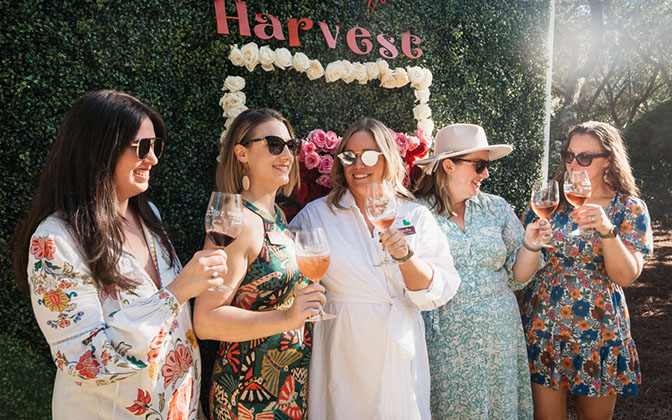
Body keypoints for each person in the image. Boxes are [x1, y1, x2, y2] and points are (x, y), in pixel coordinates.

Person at [12, 89, 228, 419]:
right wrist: (177, 292)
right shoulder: (55, 240)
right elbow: (85, 361)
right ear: (99, 150)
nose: (153, 158)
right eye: (142, 147)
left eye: (156, 146)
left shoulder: (149, 217)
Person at [289, 117, 461, 420]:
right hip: (343, 345)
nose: (358, 165)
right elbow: (283, 265)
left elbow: (439, 290)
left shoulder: (415, 216)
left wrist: (405, 257)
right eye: (349, 156)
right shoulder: (317, 215)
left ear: (387, 158)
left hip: (398, 343)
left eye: (369, 156)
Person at [193, 108, 326, 420]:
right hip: (248, 396)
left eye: (291, 146)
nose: (286, 155)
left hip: (287, 390)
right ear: (242, 153)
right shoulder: (235, 221)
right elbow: (206, 320)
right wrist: (287, 317)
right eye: (274, 145)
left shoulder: (277, 217)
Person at [412, 123, 549, 419]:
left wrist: (532, 243)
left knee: (500, 408)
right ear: (448, 166)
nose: (486, 174)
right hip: (445, 340)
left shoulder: (496, 208)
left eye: (486, 166)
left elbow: (519, 276)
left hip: (500, 334)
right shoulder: (416, 213)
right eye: (479, 165)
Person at [519, 121, 653, 419]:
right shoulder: (549, 202)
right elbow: (522, 262)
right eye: (569, 155)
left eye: (584, 157)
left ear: (608, 160)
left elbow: (625, 276)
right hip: (544, 327)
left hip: (598, 331)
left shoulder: (629, 208)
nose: (573, 164)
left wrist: (606, 229)